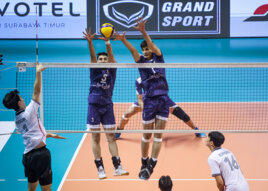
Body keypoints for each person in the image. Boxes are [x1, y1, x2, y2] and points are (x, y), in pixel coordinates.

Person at [2, 64, 65, 191]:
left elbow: (32, 132)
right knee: (46, 189)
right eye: (20, 98)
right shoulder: (29, 111)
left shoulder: (17, 119)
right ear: (19, 102)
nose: (23, 98)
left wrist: (47, 135)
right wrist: (38, 72)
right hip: (40, 156)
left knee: (31, 188)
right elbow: (36, 92)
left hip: (27, 156)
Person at [114, 18, 171, 180]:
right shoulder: (140, 62)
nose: (146, 51)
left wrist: (143, 32)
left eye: (147, 49)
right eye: (144, 49)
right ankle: (143, 162)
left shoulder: (159, 58)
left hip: (163, 101)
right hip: (149, 102)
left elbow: (153, 46)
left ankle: (152, 165)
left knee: (158, 136)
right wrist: (124, 40)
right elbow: (133, 51)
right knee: (147, 136)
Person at [83, 28, 128, 180]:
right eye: (100, 59)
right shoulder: (94, 70)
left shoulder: (112, 70)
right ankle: (100, 168)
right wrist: (90, 42)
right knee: (95, 138)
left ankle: (117, 167)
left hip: (108, 106)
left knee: (111, 137)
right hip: (94, 106)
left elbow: (112, 56)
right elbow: (92, 55)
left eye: (104, 59)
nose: (102, 61)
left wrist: (108, 41)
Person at [114, 77, 206, 139]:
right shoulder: (139, 80)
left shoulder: (159, 77)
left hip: (163, 102)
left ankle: (196, 129)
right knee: (126, 114)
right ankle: (118, 131)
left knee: (183, 116)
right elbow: (139, 97)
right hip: (146, 102)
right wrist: (144, 108)